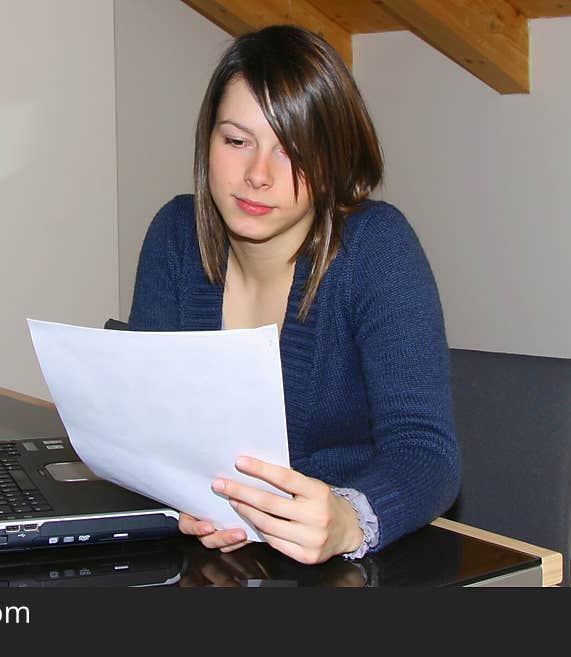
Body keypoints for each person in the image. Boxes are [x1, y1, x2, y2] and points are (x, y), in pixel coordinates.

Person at [128, 25, 461, 564]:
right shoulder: (174, 237)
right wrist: (182, 498)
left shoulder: (376, 249)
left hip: (352, 569)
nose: (257, 175)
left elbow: (426, 451)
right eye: (236, 141)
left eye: (293, 151)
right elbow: (150, 424)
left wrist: (350, 519)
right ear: (206, 140)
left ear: (335, 159)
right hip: (219, 559)